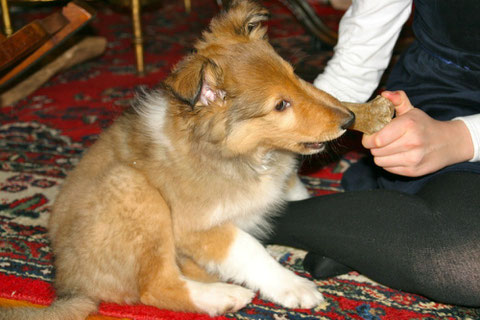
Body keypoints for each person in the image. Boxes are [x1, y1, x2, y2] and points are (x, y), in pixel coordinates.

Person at [266, 0, 480, 307]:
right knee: (466, 262)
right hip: (449, 91)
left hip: (461, 133)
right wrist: (285, 137)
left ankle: (353, 233)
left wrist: (462, 139)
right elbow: (356, 65)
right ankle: (371, 231)